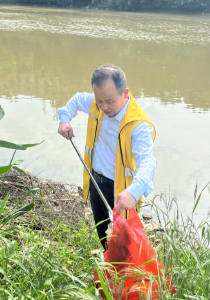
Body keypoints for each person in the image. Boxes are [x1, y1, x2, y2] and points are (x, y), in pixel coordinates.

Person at [57, 64, 157, 249]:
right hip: (96, 181)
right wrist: (64, 118)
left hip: (122, 191)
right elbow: (77, 100)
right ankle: (107, 261)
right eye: (99, 101)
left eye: (109, 101)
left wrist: (133, 192)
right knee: (102, 228)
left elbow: (148, 163)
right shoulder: (98, 104)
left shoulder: (139, 125)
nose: (103, 107)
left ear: (125, 93)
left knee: (125, 240)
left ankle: (127, 274)